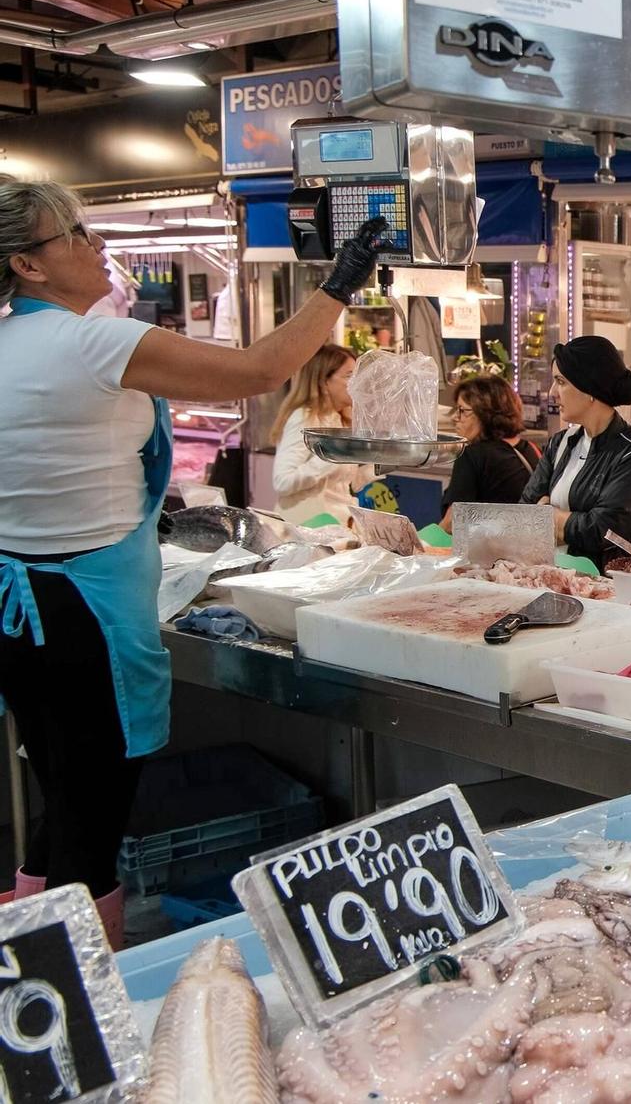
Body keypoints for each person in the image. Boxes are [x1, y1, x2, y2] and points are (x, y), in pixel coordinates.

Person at [0, 178, 386, 945]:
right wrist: (338, 285)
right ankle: (84, 1017)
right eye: (75, 233)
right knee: (93, 827)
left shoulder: (10, 341)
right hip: (88, 615)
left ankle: (29, 971)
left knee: (61, 802)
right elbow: (256, 369)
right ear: (28, 264)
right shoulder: (91, 341)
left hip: (21, 611)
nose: (97, 243)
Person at [520, 335, 631, 569]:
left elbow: (601, 531)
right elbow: (525, 513)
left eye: (561, 382)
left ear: (590, 389)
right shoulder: (560, 443)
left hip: (618, 592)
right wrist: (563, 521)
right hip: (561, 581)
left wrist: (549, 516)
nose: (552, 393)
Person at [269, 344, 373, 526]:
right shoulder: (304, 418)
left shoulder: (341, 419)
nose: (359, 383)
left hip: (338, 524)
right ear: (323, 381)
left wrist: (383, 461)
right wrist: (333, 454)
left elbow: (343, 483)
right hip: (308, 529)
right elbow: (283, 482)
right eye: (350, 376)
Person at [439, 374, 541, 533]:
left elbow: (453, 522)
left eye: (462, 411)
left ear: (484, 413)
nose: (455, 418)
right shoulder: (532, 450)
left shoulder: (472, 456)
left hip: (485, 553)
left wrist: (424, 547)